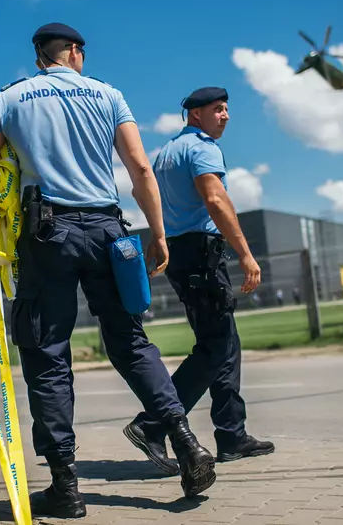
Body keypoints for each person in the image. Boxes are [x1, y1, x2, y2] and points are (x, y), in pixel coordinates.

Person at [0, 23, 217, 518]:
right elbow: (140, 169)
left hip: (47, 236)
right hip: (108, 231)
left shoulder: (8, 98)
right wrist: (158, 233)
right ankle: (186, 443)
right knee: (130, 341)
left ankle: (65, 486)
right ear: (75, 53)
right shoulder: (109, 95)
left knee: (47, 353)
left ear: (40, 57)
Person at [122, 87, 275, 476]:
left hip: (180, 253)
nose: (225, 115)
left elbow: (146, 194)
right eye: (218, 109)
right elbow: (216, 201)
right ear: (195, 115)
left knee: (225, 342)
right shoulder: (202, 149)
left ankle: (232, 434)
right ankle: (153, 424)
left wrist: (160, 237)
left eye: (226, 109)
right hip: (202, 256)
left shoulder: (167, 153)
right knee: (215, 348)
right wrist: (245, 254)